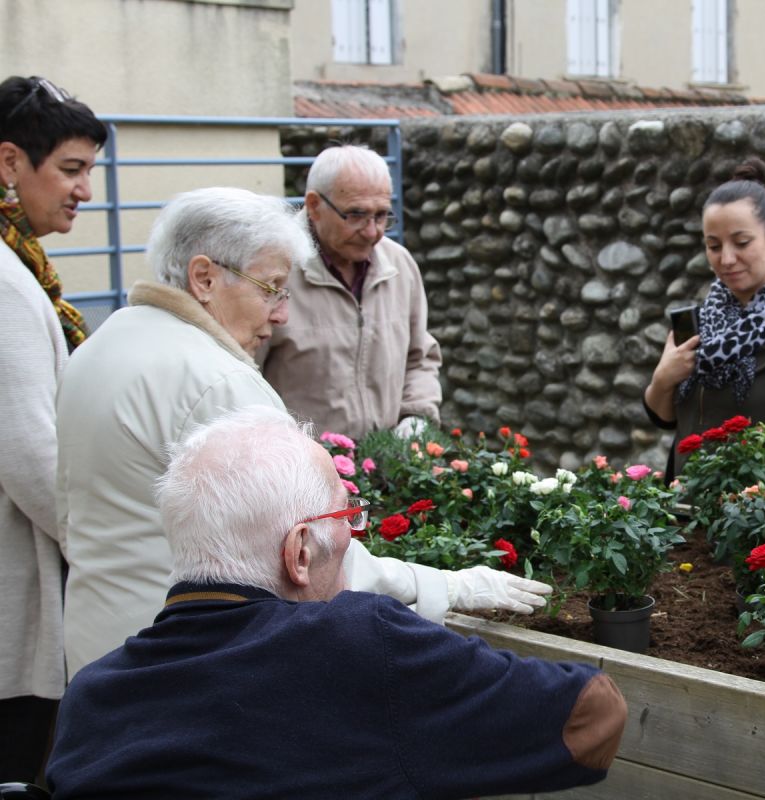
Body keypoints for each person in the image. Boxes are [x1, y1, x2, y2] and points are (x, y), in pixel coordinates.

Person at [56, 186, 549, 679]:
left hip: (99, 651)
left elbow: (65, 508)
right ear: (204, 278)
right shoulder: (219, 382)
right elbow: (309, 549)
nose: (282, 313)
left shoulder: (103, 345)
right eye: (270, 287)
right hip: (183, 662)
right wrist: (447, 586)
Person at [47, 406, 627, 799]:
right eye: (347, 518)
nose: (355, 535)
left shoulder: (91, 696)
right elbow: (594, 716)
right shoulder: (355, 645)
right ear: (299, 553)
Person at [0, 74, 106, 783]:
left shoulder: (20, 267)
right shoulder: (6, 283)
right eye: (71, 170)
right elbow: (30, 454)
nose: (86, 192)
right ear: (10, 163)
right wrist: (106, 546)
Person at [643, 158, 765, 482]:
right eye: (713, 246)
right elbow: (666, 418)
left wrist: (737, 508)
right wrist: (664, 378)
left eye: (741, 243)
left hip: (753, 517)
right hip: (680, 514)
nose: (726, 259)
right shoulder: (700, 322)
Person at [260, 143, 441, 440]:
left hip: (386, 464)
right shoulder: (271, 272)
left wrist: (416, 415)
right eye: (356, 215)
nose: (372, 231)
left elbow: (420, 357)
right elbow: (243, 377)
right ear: (315, 205)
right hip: (304, 472)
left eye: (382, 215)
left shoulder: (399, 265)